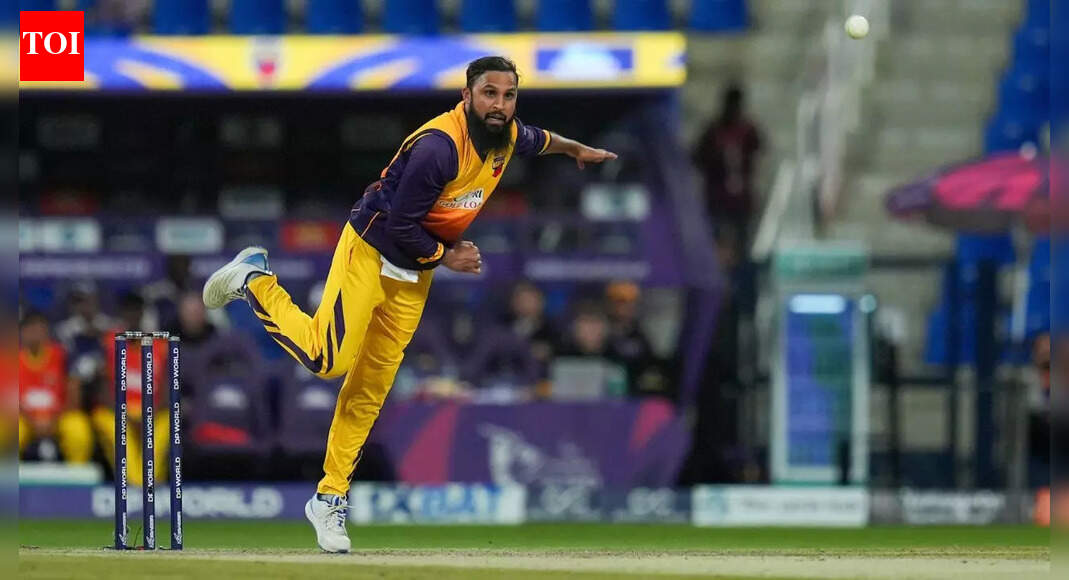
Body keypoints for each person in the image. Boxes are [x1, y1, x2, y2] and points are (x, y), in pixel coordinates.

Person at [201, 56, 617, 552]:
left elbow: (539, 139)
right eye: (489, 93)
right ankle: (255, 279)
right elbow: (400, 227)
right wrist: (449, 256)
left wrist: (576, 149)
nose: (499, 105)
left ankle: (329, 497)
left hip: (412, 275)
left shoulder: (506, 135)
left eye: (508, 96)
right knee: (327, 359)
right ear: (466, 96)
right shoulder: (439, 148)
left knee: (369, 391)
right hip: (370, 252)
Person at [693, 83, 763, 253]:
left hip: (741, 199)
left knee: (742, 242)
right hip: (717, 198)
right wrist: (716, 162)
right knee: (715, 240)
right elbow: (696, 158)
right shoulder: (714, 130)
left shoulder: (748, 130)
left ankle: (740, 266)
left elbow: (760, 153)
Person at [18, 311, 93, 463]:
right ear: (21, 332)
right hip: (24, 418)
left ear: (47, 331)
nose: (34, 333)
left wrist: (53, 421)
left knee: (78, 429)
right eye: (30, 329)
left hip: (59, 416)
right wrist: (33, 421)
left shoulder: (63, 355)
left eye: (39, 329)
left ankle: (76, 474)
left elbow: (74, 393)